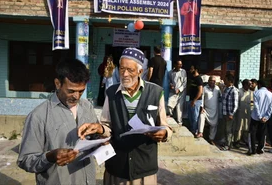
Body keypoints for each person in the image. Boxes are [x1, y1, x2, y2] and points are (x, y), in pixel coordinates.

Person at [78, 47, 172, 184]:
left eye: (130, 70)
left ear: (140, 71)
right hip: (117, 166)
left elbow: (165, 125)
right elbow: (107, 125)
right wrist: (100, 129)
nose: (125, 74)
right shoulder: (111, 92)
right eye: (122, 69)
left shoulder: (156, 92)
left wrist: (164, 133)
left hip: (144, 168)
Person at [17, 59, 98, 185]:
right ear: (57, 84)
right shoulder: (39, 116)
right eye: (71, 91)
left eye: (81, 91)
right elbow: (25, 160)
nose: (76, 96)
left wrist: (100, 138)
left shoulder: (87, 106)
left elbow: (94, 138)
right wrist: (50, 157)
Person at [247, 80, 272, 155]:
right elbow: (271, 108)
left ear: (259, 84)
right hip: (265, 118)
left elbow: (256, 106)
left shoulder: (257, 93)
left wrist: (259, 116)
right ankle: (260, 149)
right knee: (263, 133)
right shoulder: (271, 94)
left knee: (252, 132)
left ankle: (252, 150)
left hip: (255, 117)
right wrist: (266, 117)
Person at [198, 76, 221, 145]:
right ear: (208, 81)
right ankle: (200, 132)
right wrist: (202, 107)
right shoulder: (205, 88)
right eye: (211, 80)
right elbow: (202, 98)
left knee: (214, 125)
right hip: (206, 109)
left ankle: (211, 139)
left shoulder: (217, 89)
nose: (212, 82)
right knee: (201, 117)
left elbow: (221, 97)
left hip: (215, 110)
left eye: (214, 81)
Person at [220, 73, 239, 150]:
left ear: (229, 81)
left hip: (229, 114)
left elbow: (235, 104)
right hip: (224, 113)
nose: (224, 81)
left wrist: (231, 114)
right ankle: (226, 143)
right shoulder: (225, 89)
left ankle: (228, 145)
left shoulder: (234, 91)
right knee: (225, 129)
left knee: (228, 130)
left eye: (225, 80)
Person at [167, 59, 187, 125]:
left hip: (181, 93)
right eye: (179, 64)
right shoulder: (170, 72)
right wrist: (171, 85)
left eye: (181, 64)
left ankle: (179, 122)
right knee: (169, 105)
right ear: (175, 65)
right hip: (173, 92)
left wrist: (179, 89)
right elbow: (169, 81)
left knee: (179, 108)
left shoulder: (183, 71)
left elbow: (185, 83)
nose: (180, 66)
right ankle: (170, 117)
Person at [233, 79, 252, 148]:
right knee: (239, 128)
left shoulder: (251, 92)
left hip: (248, 114)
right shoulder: (239, 91)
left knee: (246, 127)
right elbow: (236, 103)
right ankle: (236, 141)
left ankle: (245, 140)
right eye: (249, 84)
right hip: (239, 113)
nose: (250, 86)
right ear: (244, 84)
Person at [187, 65, 203, 137]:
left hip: (196, 101)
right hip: (191, 100)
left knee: (195, 117)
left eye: (191, 69)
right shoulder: (192, 78)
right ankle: (191, 130)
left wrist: (194, 100)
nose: (190, 70)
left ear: (195, 70)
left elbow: (200, 91)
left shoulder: (198, 79)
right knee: (190, 117)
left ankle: (194, 131)